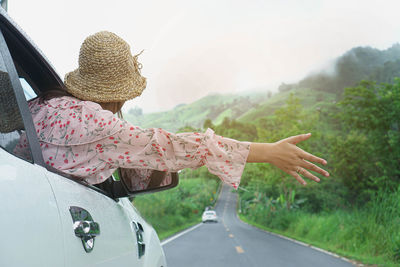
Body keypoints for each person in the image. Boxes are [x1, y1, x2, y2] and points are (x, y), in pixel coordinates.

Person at [15, 31, 329, 189]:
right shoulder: (102, 125)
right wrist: (269, 152)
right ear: (121, 93)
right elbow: (178, 148)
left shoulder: (40, 105)